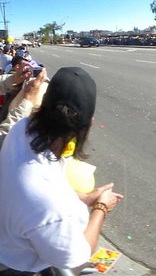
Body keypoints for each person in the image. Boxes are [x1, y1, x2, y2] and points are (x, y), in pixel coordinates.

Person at [0, 67, 125, 274]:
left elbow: (46, 185)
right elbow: (77, 256)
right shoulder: (53, 207)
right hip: (16, 266)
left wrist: (83, 198)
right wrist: (101, 208)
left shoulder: (21, 129)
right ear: (88, 124)